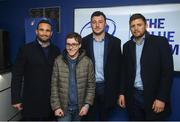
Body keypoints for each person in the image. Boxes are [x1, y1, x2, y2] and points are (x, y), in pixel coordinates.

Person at [118, 13, 174, 120]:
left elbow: (167, 72)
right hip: (133, 97)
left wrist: (161, 98)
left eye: (139, 25)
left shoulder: (160, 42)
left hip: (154, 98)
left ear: (146, 25)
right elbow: (124, 72)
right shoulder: (127, 46)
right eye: (133, 26)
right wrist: (121, 93)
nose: (136, 28)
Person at [11, 19, 60, 120]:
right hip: (31, 101)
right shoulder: (25, 49)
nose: (44, 33)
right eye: (41, 30)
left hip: (50, 102)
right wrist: (15, 99)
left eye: (47, 31)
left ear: (51, 33)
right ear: (36, 31)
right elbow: (17, 75)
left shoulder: (56, 50)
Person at [81, 11, 122, 120]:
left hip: (107, 88)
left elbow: (119, 68)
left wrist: (120, 92)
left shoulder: (115, 42)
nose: (97, 25)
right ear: (90, 24)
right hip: (89, 88)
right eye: (94, 22)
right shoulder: (84, 42)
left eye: (100, 22)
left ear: (105, 24)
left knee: (105, 118)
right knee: (88, 118)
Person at [50, 32, 96, 121]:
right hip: (63, 109)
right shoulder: (58, 61)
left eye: (74, 44)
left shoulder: (87, 62)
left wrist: (86, 105)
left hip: (80, 108)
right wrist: (56, 107)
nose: (71, 47)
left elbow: (91, 86)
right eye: (68, 44)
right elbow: (54, 86)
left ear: (79, 45)